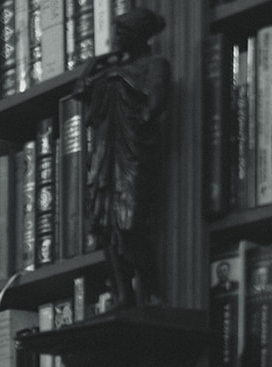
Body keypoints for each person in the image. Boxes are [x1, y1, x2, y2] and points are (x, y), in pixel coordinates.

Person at [76, 6, 170, 309]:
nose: (115, 40)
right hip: (106, 153)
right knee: (105, 226)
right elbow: (81, 90)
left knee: (131, 225)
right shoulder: (107, 70)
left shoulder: (155, 64)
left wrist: (143, 116)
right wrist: (96, 63)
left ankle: (153, 291)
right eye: (115, 34)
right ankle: (122, 292)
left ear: (137, 37)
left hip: (133, 151)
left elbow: (156, 101)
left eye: (121, 34)